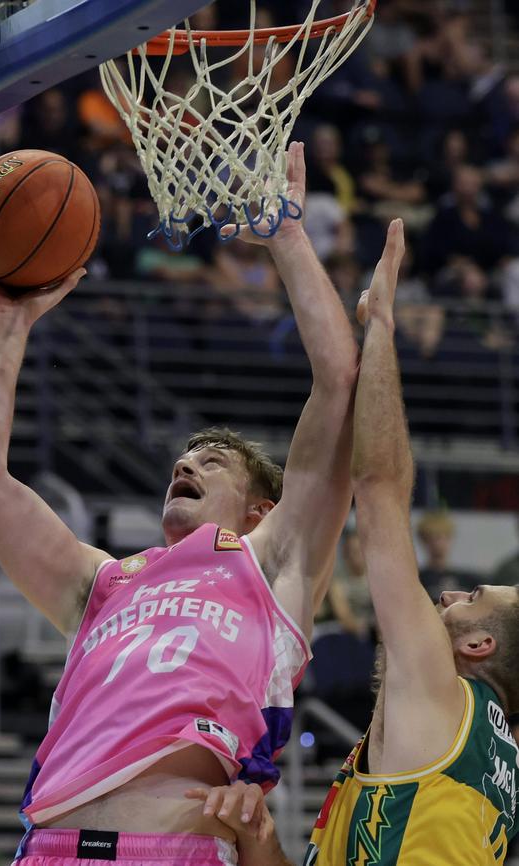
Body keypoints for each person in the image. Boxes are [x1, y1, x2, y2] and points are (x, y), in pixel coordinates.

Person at [0, 141, 359, 865]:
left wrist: (288, 238)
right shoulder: (102, 584)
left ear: (262, 509)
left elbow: (339, 386)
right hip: (50, 848)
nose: (185, 462)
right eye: (184, 456)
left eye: (213, 459)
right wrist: (9, 322)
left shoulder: (274, 563)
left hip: (171, 850)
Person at [304, 219, 519, 863]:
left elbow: (378, 488)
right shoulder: (493, 758)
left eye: (473, 596)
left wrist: (383, 327)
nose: (449, 592)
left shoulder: (447, 694)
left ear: (478, 646)